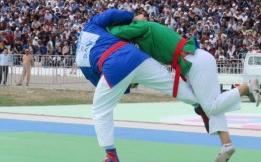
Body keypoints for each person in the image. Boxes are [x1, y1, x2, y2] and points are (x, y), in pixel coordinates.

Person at [106, 15, 260, 162]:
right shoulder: (144, 34)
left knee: (211, 106)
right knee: (211, 104)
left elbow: (116, 32)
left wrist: (104, 27)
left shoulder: (143, 27)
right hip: (197, 60)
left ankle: (247, 87)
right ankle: (226, 144)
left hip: (194, 63)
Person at [75, 9, 199, 162]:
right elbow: (111, 14)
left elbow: (98, 81)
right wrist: (132, 17)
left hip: (113, 66)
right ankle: (200, 103)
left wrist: (125, 85)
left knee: (100, 110)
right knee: (168, 82)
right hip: (135, 56)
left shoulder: (80, 60)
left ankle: (111, 155)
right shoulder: (91, 25)